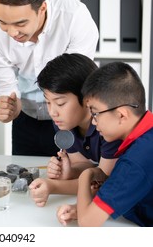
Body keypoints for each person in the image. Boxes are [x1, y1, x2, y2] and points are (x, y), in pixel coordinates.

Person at [0, 0, 99, 156]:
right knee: (24, 179)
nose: (11, 33)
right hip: (26, 118)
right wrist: (9, 106)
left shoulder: (74, 18)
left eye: (20, 24)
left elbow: (76, 80)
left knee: (70, 178)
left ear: (42, 8)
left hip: (70, 117)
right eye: (3, 21)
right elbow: (5, 87)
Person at [57, 62, 153, 227]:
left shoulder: (135, 161)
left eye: (95, 113)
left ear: (121, 115)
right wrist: (83, 209)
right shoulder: (145, 138)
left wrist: (86, 175)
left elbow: (88, 224)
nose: (94, 122)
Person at [28, 53, 121, 207]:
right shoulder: (63, 122)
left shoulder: (110, 125)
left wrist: (53, 186)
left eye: (60, 103)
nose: (52, 112)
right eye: (48, 102)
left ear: (87, 99)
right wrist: (70, 171)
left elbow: (101, 181)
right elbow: (84, 164)